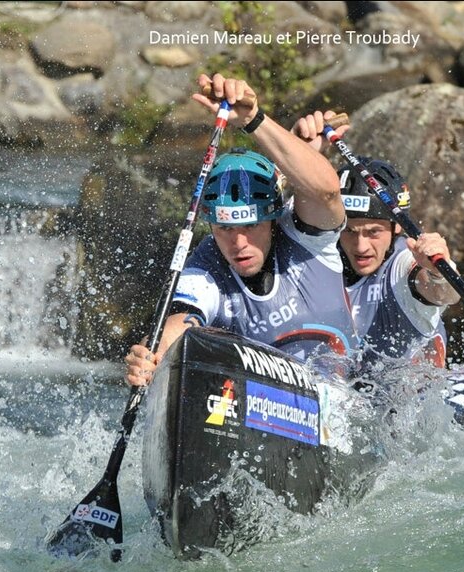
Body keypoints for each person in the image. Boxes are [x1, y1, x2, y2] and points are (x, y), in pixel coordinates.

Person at [125, 73, 357, 387]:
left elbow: (326, 193)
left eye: (251, 225)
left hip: (347, 409)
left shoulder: (305, 237)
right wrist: (154, 353)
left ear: (274, 218)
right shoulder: (205, 268)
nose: (239, 243)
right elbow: (179, 324)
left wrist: (252, 119)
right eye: (224, 228)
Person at [335, 158, 461, 367]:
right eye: (349, 230)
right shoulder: (326, 257)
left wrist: (439, 274)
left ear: (397, 227)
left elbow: (445, 294)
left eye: (373, 232)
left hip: (414, 397)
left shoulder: (403, 264)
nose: (360, 246)